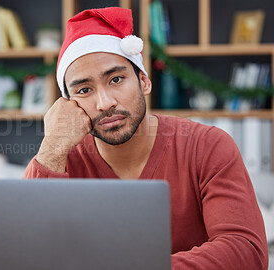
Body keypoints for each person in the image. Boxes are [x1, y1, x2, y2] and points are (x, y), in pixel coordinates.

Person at [23, 7, 268, 269]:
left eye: (116, 79)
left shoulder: (208, 146)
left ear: (144, 81)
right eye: (84, 90)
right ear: (68, 104)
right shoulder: (59, 157)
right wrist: (52, 147)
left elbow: (246, 252)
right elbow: (25, 253)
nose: (105, 103)